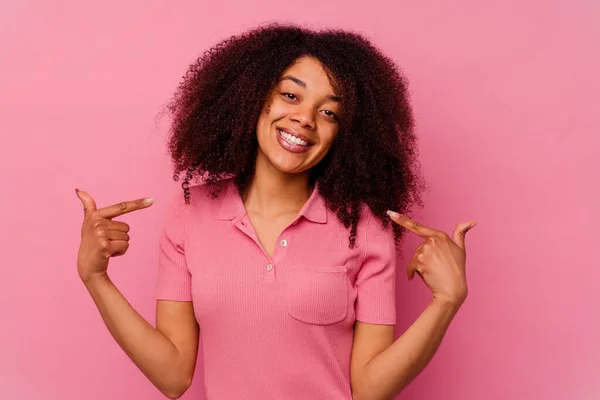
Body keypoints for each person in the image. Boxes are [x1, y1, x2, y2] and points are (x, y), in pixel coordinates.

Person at [75, 23, 476, 400]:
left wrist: (446, 300)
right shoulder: (189, 212)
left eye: (329, 112)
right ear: (253, 97)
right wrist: (96, 278)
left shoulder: (365, 228)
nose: (304, 118)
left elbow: (369, 389)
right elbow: (173, 375)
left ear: (346, 132)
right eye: (290, 95)